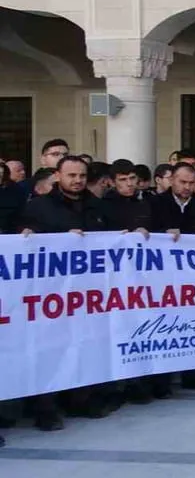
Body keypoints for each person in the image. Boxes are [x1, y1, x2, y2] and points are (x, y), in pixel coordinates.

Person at [20, 156, 111, 429]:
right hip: (51, 295)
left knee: (83, 345)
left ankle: (80, 400)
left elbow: (113, 238)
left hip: (86, 294)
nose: (78, 180)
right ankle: (45, 408)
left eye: (82, 175)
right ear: (58, 176)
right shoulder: (40, 206)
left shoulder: (97, 206)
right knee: (48, 350)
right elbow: (26, 237)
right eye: (71, 175)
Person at [147, 162, 195, 390]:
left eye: (191, 183)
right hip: (163, 278)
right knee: (162, 326)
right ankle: (161, 380)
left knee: (193, 324)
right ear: (171, 180)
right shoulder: (155, 202)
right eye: (183, 182)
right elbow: (144, 232)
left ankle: (193, 374)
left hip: (194, 277)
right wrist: (163, 234)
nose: (187, 187)